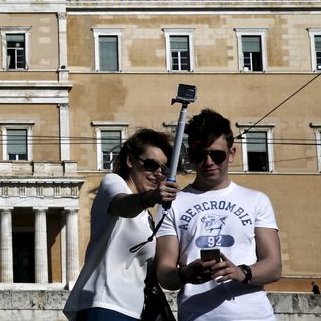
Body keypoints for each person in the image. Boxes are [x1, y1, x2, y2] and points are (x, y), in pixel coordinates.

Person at [155, 109, 282, 320]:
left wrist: (242, 272)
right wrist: (186, 274)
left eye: (217, 155)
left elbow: (274, 266)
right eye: (199, 155)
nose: (209, 162)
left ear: (231, 154)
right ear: (190, 156)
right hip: (196, 315)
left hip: (254, 315)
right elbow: (164, 273)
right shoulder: (172, 204)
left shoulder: (256, 199)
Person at [64, 129, 179, 321]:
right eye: (151, 165)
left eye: (164, 169)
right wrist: (150, 198)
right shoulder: (113, 183)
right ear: (130, 161)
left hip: (133, 310)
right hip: (104, 303)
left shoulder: (147, 218)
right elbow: (121, 205)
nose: (158, 174)